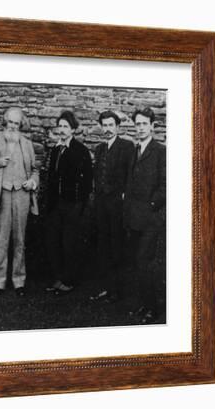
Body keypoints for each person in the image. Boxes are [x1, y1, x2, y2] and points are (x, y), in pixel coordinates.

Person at [0, 107, 39, 297]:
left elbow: (35, 170)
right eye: (10, 122)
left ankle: (19, 281)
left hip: (21, 194)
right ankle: (0, 281)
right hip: (1, 194)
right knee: (1, 240)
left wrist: (33, 181)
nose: (13, 126)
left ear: (21, 125)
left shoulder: (27, 144)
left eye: (17, 123)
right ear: (5, 122)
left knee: (20, 240)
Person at [124, 107, 166, 324]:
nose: (139, 128)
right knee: (137, 262)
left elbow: (164, 185)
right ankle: (143, 303)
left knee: (146, 262)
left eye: (143, 124)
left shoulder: (160, 151)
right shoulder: (134, 150)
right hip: (133, 217)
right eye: (137, 124)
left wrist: (151, 205)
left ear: (152, 126)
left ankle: (153, 308)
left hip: (150, 218)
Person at [44, 110, 93, 295]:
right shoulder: (56, 149)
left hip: (72, 205)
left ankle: (68, 280)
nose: (62, 130)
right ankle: (57, 278)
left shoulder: (80, 150)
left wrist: (80, 204)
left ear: (73, 130)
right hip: (56, 205)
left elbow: (87, 180)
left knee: (69, 243)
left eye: (66, 127)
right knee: (53, 242)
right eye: (60, 126)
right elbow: (51, 177)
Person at [90, 111, 135, 304]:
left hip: (117, 204)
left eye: (111, 125)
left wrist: (124, 195)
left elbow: (131, 175)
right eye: (104, 125)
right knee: (103, 245)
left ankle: (118, 291)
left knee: (117, 246)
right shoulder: (99, 149)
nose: (107, 129)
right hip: (101, 204)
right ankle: (106, 288)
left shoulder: (126, 146)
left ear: (117, 127)